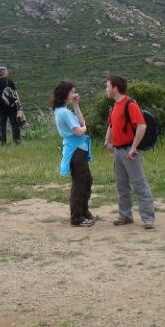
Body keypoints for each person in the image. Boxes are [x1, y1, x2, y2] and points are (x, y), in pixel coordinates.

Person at [104, 75, 156, 229]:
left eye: (107, 86)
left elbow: (142, 125)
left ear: (115, 88)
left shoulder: (130, 104)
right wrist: (107, 142)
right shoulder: (114, 106)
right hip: (118, 151)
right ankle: (125, 216)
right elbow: (111, 125)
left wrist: (134, 148)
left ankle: (148, 219)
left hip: (129, 152)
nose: (106, 89)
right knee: (122, 186)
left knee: (139, 185)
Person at [52, 80, 96, 227]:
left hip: (78, 149)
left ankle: (84, 211)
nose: (74, 94)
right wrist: (85, 128)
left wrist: (76, 105)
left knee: (87, 180)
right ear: (66, 94)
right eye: (72, 92)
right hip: (75, 150)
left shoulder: (62, 110)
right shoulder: (64, 112)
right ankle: (77, 217)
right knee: (80, 183)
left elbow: (80, 121)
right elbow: (78, 130)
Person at [0, 66, 21, 145]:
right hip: (12, 107)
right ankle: (16, 141)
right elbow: (15, 94)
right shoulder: (10, 81)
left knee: (2, 125)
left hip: (1, 107)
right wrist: (19, 106)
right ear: (4, 72)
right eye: (7, 71)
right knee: (14, 125)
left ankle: (2, 142)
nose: (8, 72)